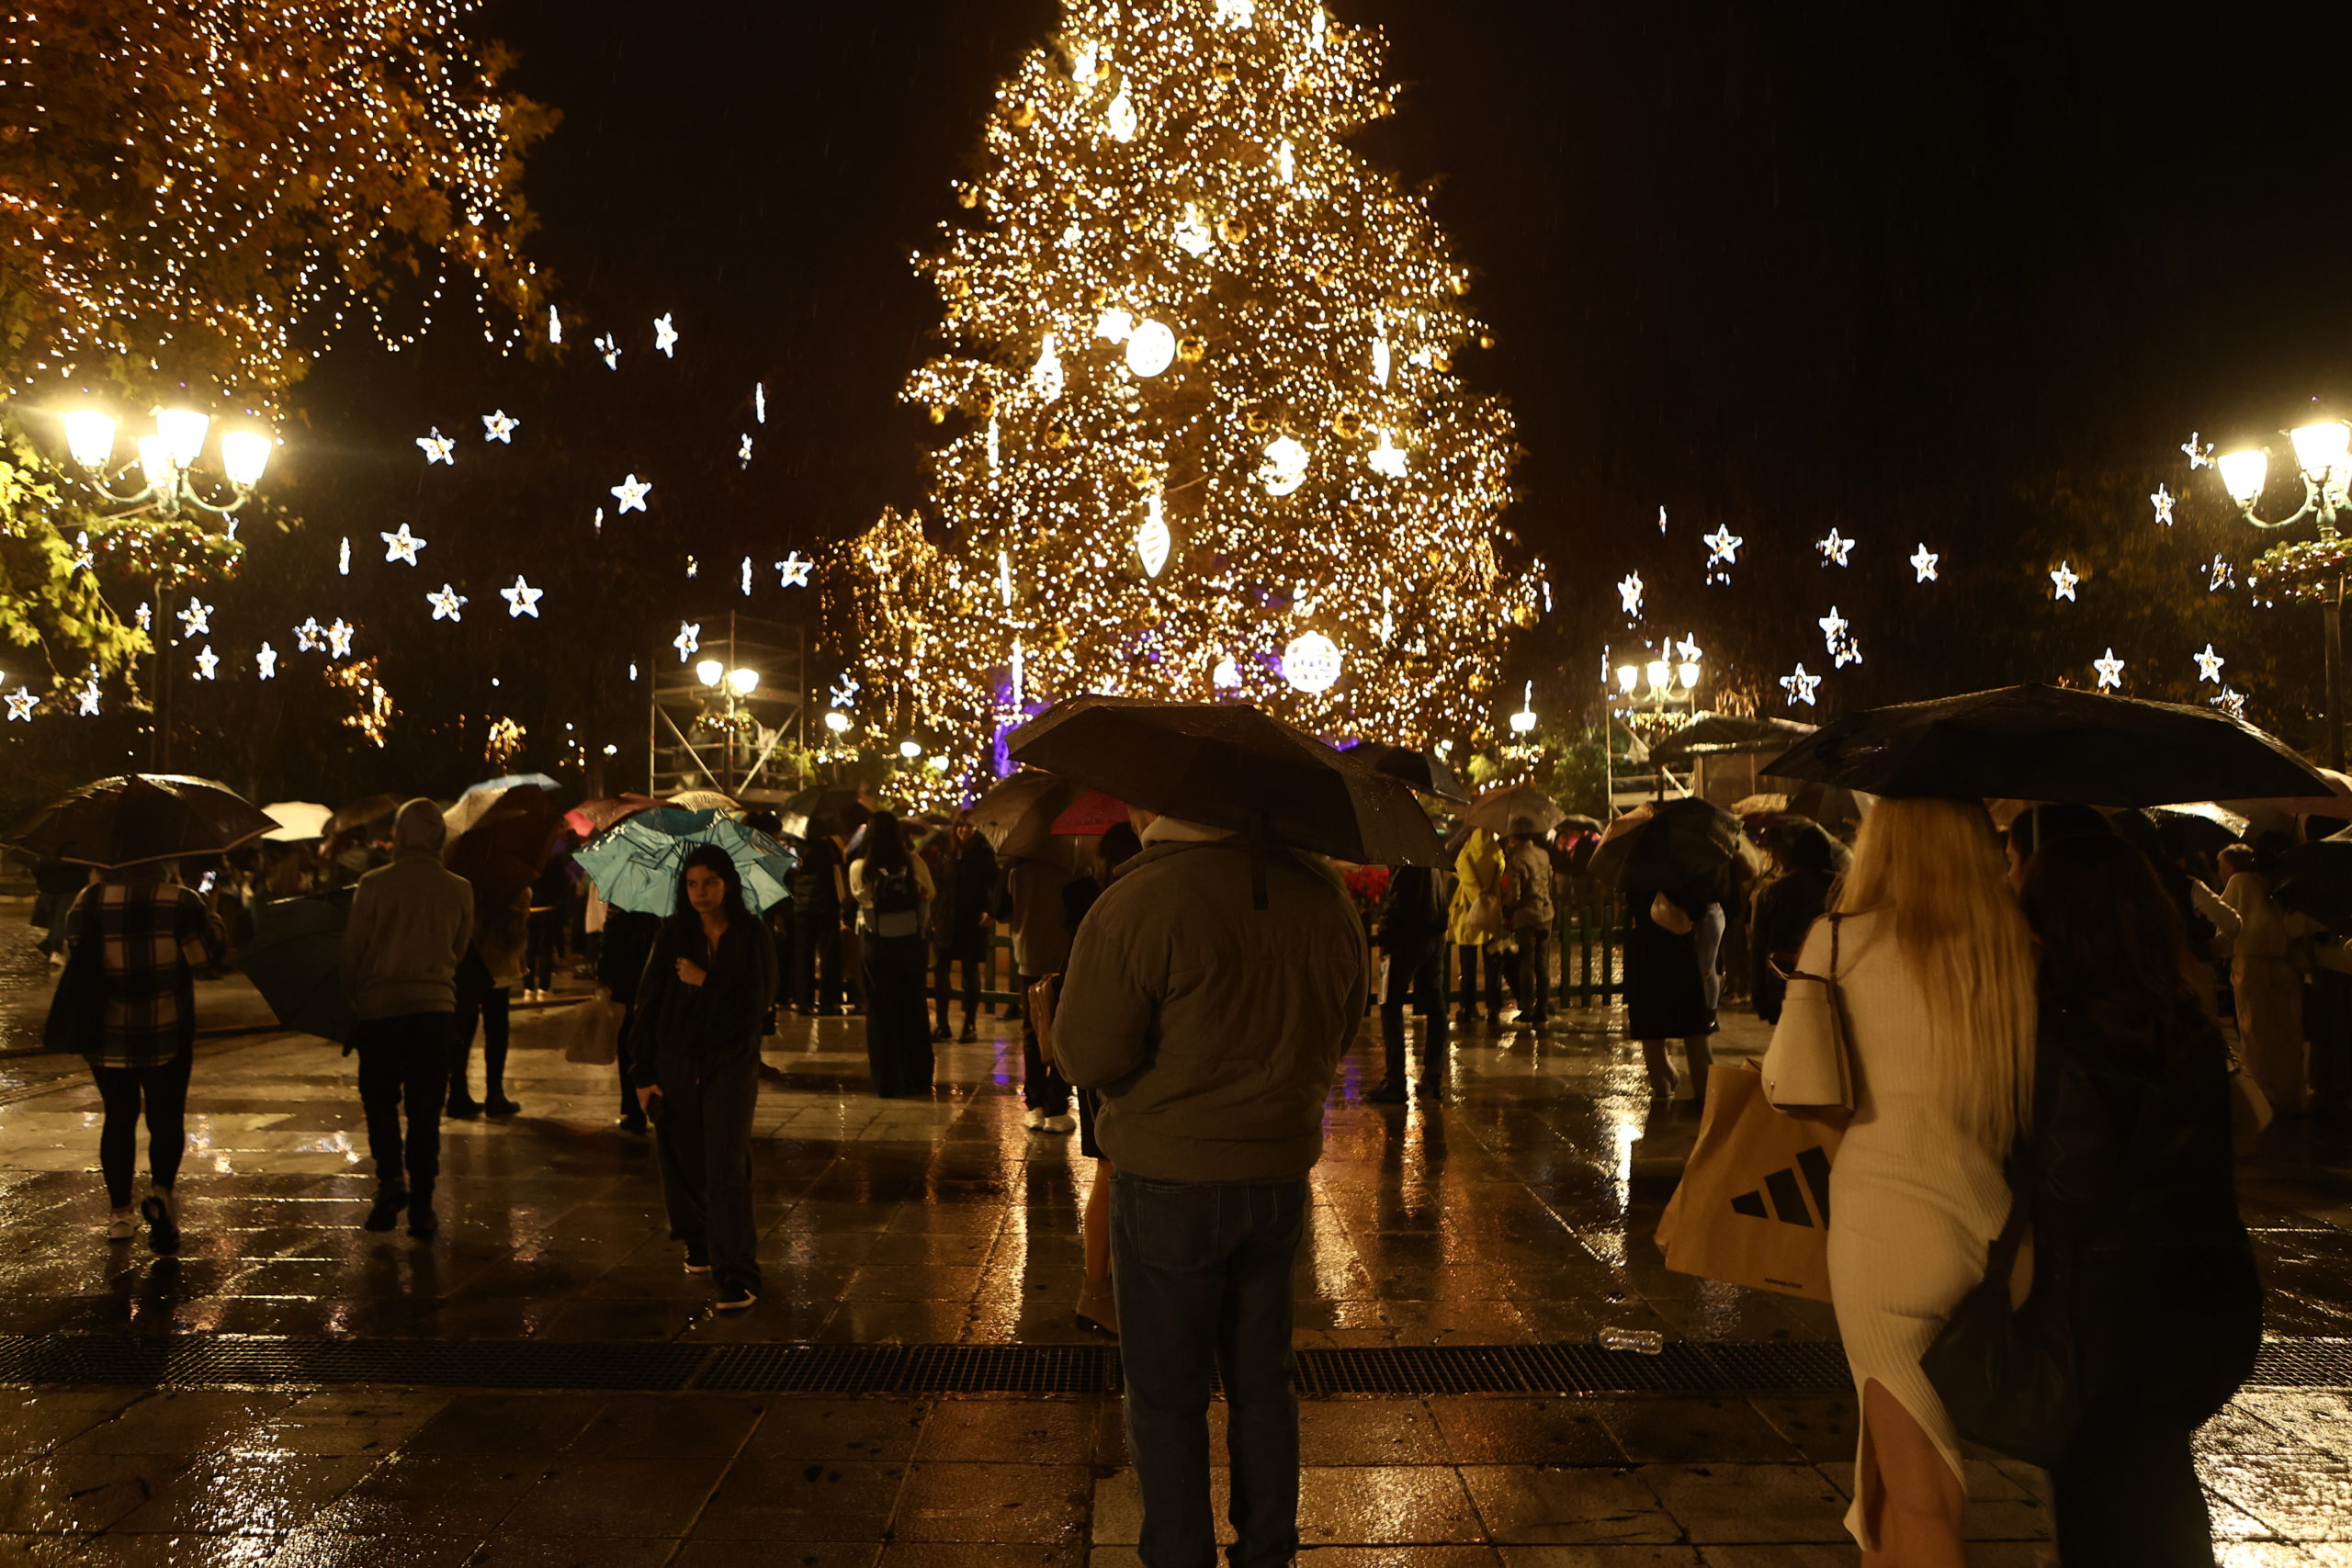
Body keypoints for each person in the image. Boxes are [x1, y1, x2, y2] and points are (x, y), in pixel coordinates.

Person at [1056, 807, 1369, 1568]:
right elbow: (1347, 1022)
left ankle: (1179, 1553)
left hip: (1169, 1177)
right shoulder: (1324, 896)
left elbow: (1082, 1052)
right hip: (1276, 1174)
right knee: (1264, 1381)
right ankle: (1269, 1550)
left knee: (1166, 1394)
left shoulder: (1140, 899)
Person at [1763, 797, 2037, 1567]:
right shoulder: (2009, 945)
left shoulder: (1841, 939)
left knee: (1926, 1498)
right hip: (1995, 1232)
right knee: (1886, 1477)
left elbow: (1800, 1090)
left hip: (1886, 1235)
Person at [2017, 832, 2262, 1567]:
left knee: (2106, 1510)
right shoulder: (2184, 1021)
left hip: (2111, 1316)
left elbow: (2072, 1192)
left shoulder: (2062, 1039)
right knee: (2157, 1489)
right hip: (2214, 1292)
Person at [630, 845, 776, 1310]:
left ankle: (736, 1272)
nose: (700, 893)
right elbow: (647, 1006)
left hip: (731, 1061)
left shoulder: (751, 935)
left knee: (726, 1164)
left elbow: (757, 1007)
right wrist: (641, 1073)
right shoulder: (673, 934)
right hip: (676, 1060)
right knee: (682, 1155)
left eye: (709, 882)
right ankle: (696, 1236)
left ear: (728, 884)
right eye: (692, 884)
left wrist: (705, 982)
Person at [62, 859, 226, 1253]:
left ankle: (120, 1214)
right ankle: (161, 1195)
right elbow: (203, 960)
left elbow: (77, 954)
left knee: (118, 1116)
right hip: (166, 1028)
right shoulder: (182, 901)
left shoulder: (88, 900)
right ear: (162, 860)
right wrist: (213, 916)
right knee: (165, 1116)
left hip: (105, 1030)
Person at [341, 800, 474, 1239]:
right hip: (435, 1013)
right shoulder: (459, 888)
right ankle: (422, 1204)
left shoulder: (373, 884)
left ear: (399, 834)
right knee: (424, 1111)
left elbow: (355, 949)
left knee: (379, 1102)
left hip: (380, 1012)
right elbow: (458, 949)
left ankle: (389, 1181)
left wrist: (355, 997)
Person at [1059, 819, 1141, 1334]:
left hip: (1093, 1043)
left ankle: (1101, 1285)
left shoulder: (1083, 897)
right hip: (1110, 1051)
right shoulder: (1122, 906)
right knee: (1111, 1174)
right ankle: (1095, 1289)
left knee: (1109, 1173)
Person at [849, 812, 937, 1098]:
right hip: (911, 942)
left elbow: (861, 901)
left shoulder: (860, 867)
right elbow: (930, 893)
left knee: (881, 1012)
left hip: (876, 945)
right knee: (913, 1006)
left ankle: (888, 1080)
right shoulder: (913, 862)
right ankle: (919, 1075)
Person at [2222, 833, 2307, 1116]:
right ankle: (2290, 1095)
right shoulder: (2284, 886)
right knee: (2286, 1031)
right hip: (2284, 965)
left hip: (2251, 963)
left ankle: (2264, 1096)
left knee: (2256, 1031)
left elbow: (2224, 922)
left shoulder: (2241, 882)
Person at [1626, 868, 1723, 1108]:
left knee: (1650, 1018)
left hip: (1646, 947)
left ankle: (1662, 1082)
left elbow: (1633, 903)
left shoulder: (1635, 866)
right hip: (1678, 948)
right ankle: (1704, 1088)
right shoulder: (1682, 867)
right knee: (1693, 1018)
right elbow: (1699, 907)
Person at [1368, 852, 1450, 1102]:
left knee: (1389, 1002)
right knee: (1436, 1005)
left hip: (1408, 938)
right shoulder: (1432, 858)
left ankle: (1395, 1080)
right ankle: (1433, 1077)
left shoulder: (1406, 859)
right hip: (1434, 935)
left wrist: (1384, 935)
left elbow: (1397, 901)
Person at [1005, 847, 1077, 1132]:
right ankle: (1056, 1105)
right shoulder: (1072, 870)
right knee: (1063, 1028)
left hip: (1028, 956)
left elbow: (1004, 910)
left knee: (1032, 1028)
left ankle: (1034, 1104)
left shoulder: (1016, 872)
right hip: (1061, 958)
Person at [1748, 820, 1838, 1025]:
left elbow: (1759, 947)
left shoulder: (1772, 892)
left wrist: (1759, 996)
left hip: (1783, 985)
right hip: (1829, 985)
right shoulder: (1841, 889)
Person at [448, 886, 527, 1120]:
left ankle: (457, 1093)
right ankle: (495, 1095)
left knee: (463, 1029)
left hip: (466, 966)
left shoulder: (462, 880)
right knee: (497, 1030)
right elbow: (515, 935)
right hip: (497, 966)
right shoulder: (510, 884)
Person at [925, 815, 996, 1043]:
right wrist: (934, 914)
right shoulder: (946, 851)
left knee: (970, 971)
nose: (964, 830)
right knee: (941, 972)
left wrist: (990, 911)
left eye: (969, 826)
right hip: (946, 918)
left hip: (970, 920)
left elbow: (995, 884)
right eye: (961, 826)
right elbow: (938, 884)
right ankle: (942, 1024)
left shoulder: (984, 853)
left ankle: (970, 1025)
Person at [598, 904, 662, 1134]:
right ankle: (653, 1106)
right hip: (659, 986)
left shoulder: (628, 901)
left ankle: (635, 1112)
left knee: (631, 1045)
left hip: (632, 982)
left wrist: (604, 974)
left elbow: (612, 936)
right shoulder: (677, 907)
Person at [1445, 825, 1507, 1022]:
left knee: (1468, 964)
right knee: (1492, 964)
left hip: (1468, 915)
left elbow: (1461, 875)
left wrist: (1476, 895)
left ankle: (1468, 1006)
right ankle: (1494, 1007)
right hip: (1489, 912)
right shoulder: (1496, 852)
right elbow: (1500, 873)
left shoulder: (1467, 853)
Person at [1499, 817, 1555, 1028]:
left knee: (1526, 962)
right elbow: (1549, 883)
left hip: (1526, 916)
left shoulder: (1516, 859)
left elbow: (1514, 895)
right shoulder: (1543, 854)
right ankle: (1543, 1009)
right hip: (1546, 913)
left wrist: (1508, 909)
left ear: (1514, 836)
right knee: (1543, 963)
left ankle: (1527, 1009)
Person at [788, 829, 849, 1016]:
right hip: (826, 906)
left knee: (803, 954)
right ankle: (828, 1001)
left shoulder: (795, 848)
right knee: (829, 955)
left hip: (802, 906)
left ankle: (802, 1001)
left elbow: (790, 872)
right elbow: (840, 868)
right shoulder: (829, 846)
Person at [522, 842, 574, 1001]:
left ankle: (528, 989)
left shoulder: (526, 863)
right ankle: (544, 989)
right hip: (548, 910)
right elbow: (564, 882)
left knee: (529, 951)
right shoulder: (553, 861)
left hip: (530, 910)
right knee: (545, 950)